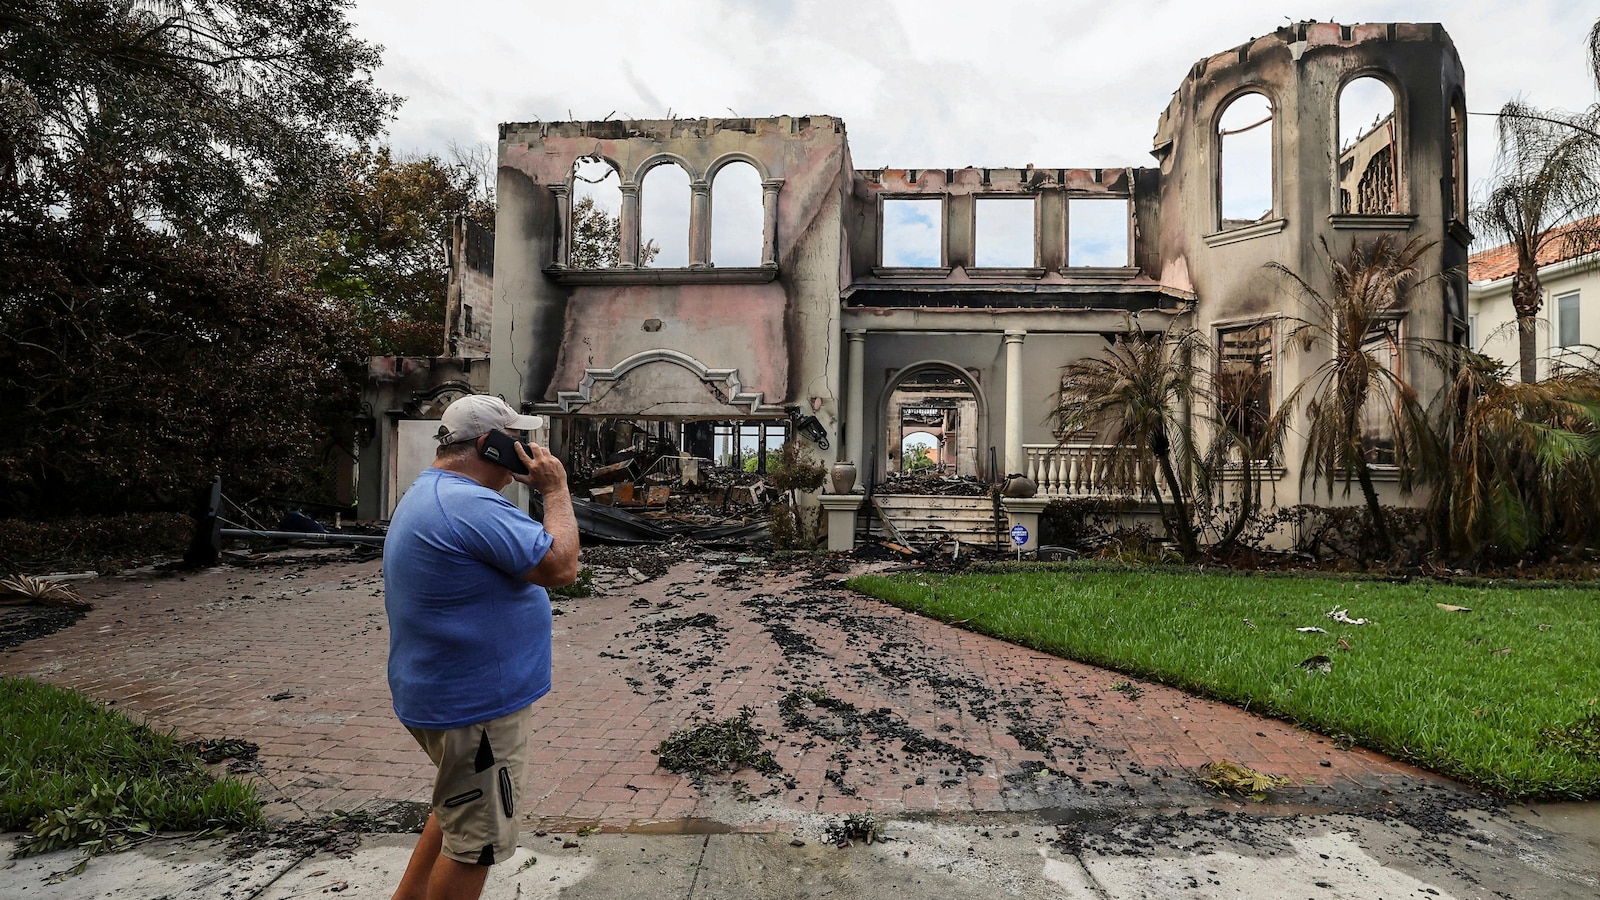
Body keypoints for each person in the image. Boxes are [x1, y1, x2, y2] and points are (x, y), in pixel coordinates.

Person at [383, 394, 579, 900]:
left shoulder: (433, 492)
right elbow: (561, 566)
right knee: (477, 843)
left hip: (445, 696)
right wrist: (555, 491)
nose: (529, 449)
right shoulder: (467, 504)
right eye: (519, 440)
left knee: (460, 805)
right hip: (477, 710)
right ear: (492, 447)